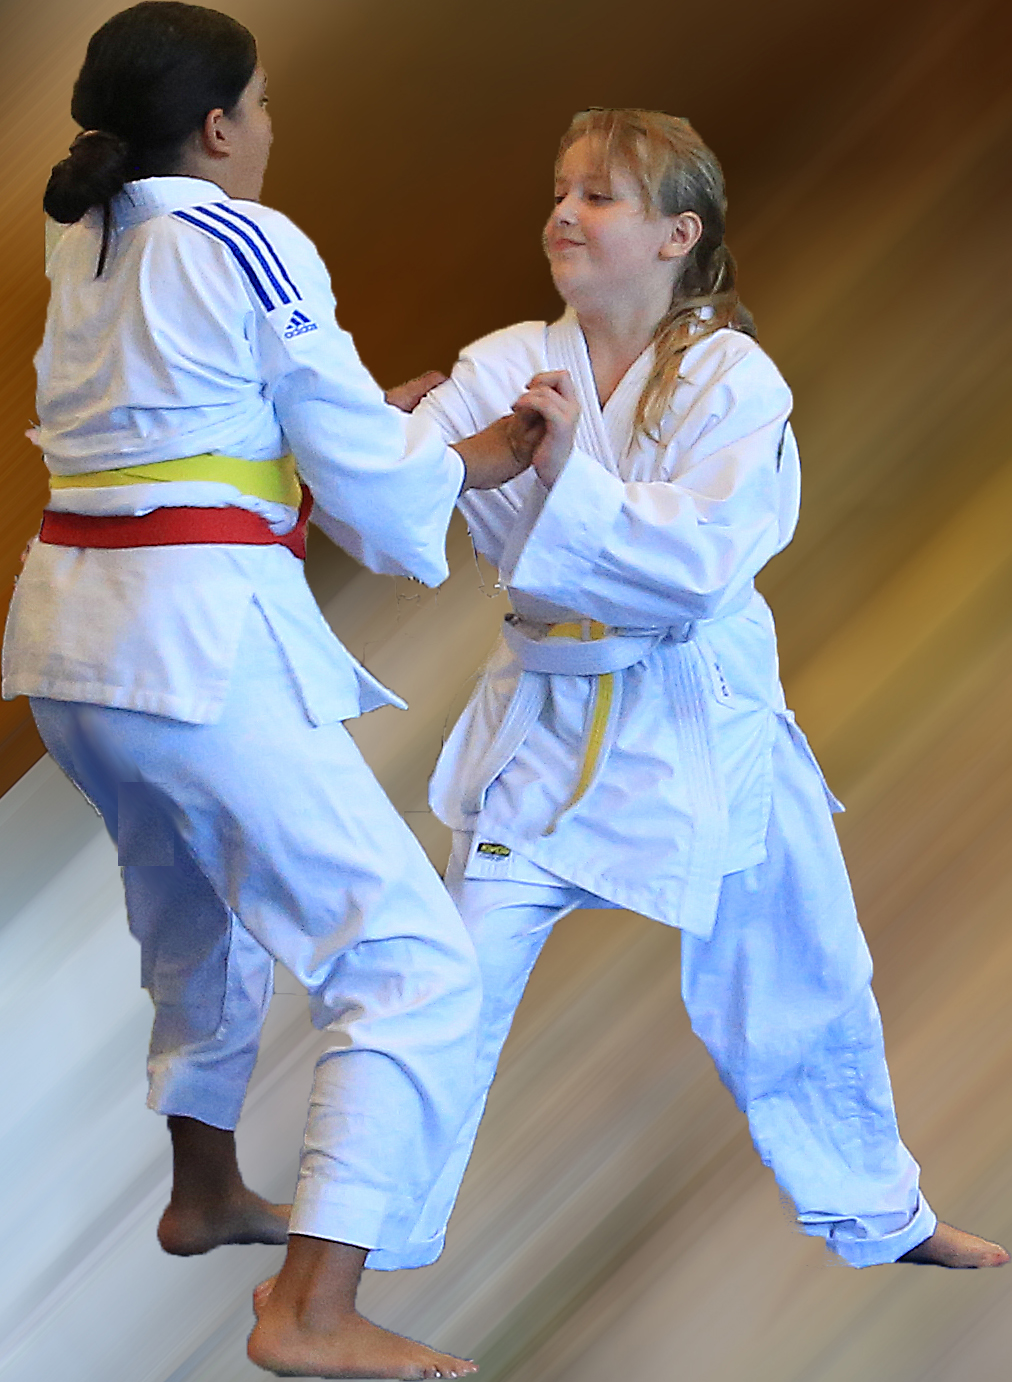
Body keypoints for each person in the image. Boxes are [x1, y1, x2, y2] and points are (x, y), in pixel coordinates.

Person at [1, 4, 537, 1376]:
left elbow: (183, 435)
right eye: (260, 104)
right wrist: (463, 457)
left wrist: (375, 434)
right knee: (408, 956)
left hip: (74, 647)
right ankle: (313, 1311)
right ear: (217, 127)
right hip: (190, 649)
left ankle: (203, 1192)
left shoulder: (86, 233)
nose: (270, 127)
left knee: (198, 909)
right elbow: (348, 456)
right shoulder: (245, 234)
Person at [410, 107, 1009, 1273]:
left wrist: (564, 472)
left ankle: (878, 1212)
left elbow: (701, 564)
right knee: (443, 984)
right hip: (546, 725)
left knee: (799, 968)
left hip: (702, 716)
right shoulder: (499, 362)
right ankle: (358, 1246)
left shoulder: (734, 380)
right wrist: (376, 432)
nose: (563, 212)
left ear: (677, 234)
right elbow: (399, 482)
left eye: (597, 195)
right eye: (559, 190)